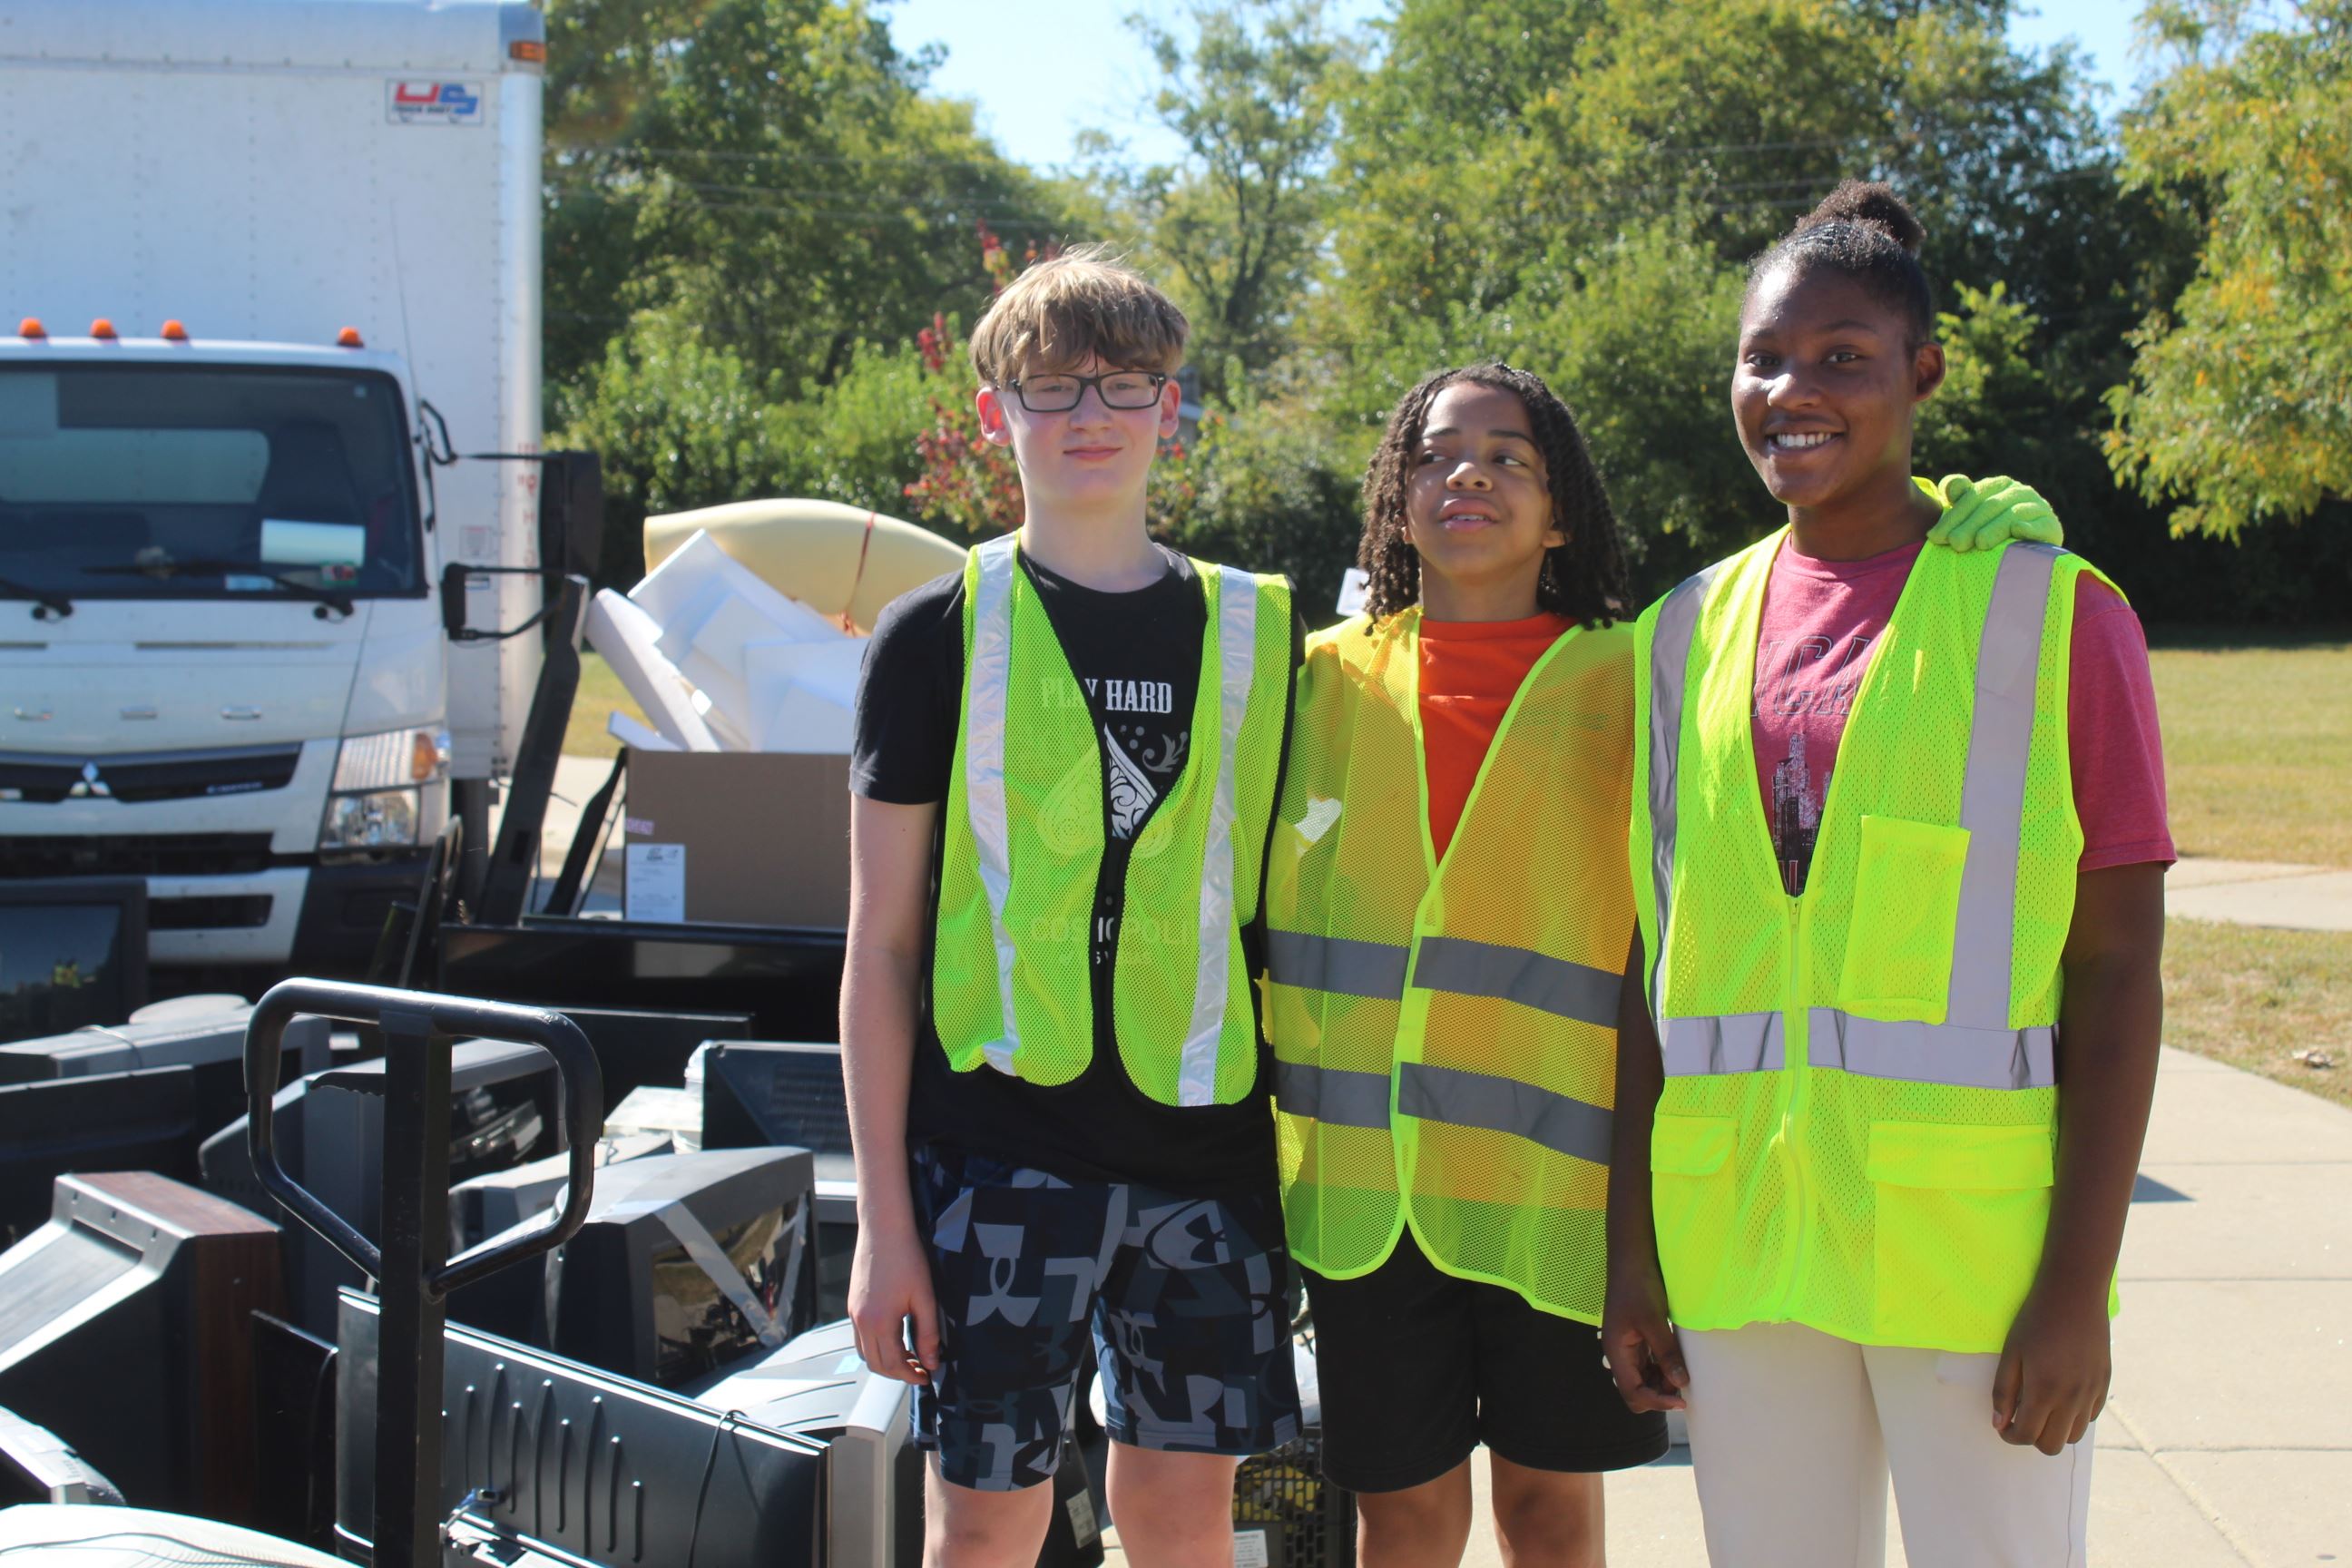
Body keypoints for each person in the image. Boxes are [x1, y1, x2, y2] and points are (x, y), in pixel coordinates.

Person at [1602, 181, 2171, 1568]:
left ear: (1924, 374)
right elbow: (1653, 956)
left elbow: (2116, 970)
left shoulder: (2055, 611)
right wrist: (1631, 1253)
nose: (1793, 391)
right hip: (1741, 1243)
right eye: (1764, 359)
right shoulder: (1683, 631)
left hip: (1968, 1259)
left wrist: (2078, 1288)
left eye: (1842, 357)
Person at [840, 246, 1301, 1568]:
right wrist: (883, 1227)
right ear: (997, 411)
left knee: (1185, 1521)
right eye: (1052, 386)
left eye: (1124, 382)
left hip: (1205, 1162)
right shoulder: (936, 633)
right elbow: (881, 948)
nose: (1089, 413)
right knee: (983, 1529)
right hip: (995, 1159)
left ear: (1172, 406)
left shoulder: (1261, 636)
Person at [1262, 362, 1668, 1568]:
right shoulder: (1320, 680)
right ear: (1397, 502)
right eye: (1434, 457)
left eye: (1506, 458)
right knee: (1406, 1518)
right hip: (1364, 1202)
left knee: (1547, 1514)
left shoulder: (1633, 679)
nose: (1467, 476)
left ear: (1561, 512)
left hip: (1558, 1197)